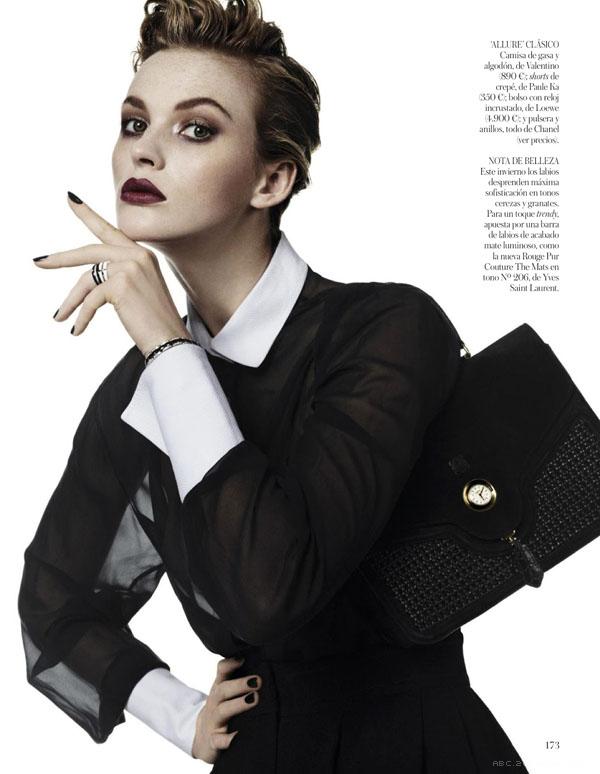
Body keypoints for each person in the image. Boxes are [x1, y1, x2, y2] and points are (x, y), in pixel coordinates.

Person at [18, 1, 530, 771]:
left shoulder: (387, 328)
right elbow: (53, 602)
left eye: (196, 129)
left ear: (271, 178)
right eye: (134, 123)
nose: (143, 152)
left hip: (415, 746)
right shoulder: (138, 394)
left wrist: (167, 343)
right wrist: (180, 714)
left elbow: (272, 587)